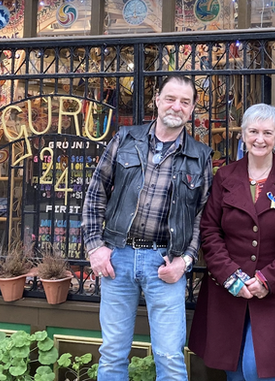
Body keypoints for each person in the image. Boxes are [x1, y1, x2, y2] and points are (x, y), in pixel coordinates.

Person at [82, 75, 213, 381]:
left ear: (192, 109)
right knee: (113, 351)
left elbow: (202, 215)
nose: (176, 107)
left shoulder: (200, 156)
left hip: (164, 263)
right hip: (118, 258)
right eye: (170, 98)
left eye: (184, 101)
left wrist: (186, 260)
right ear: (156, 99)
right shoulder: (125, 139)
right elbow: (95, 193)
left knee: (169, 355)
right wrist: (95, 247)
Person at [189, 104, 275, 381]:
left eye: (268, 132)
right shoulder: (225, 177)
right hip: (229, 291)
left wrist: (267, 280)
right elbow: (209, 231)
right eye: (253, 131)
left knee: (260, 369)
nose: (260, 139)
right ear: (242, 135)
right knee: (236, 371)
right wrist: (231, 277)